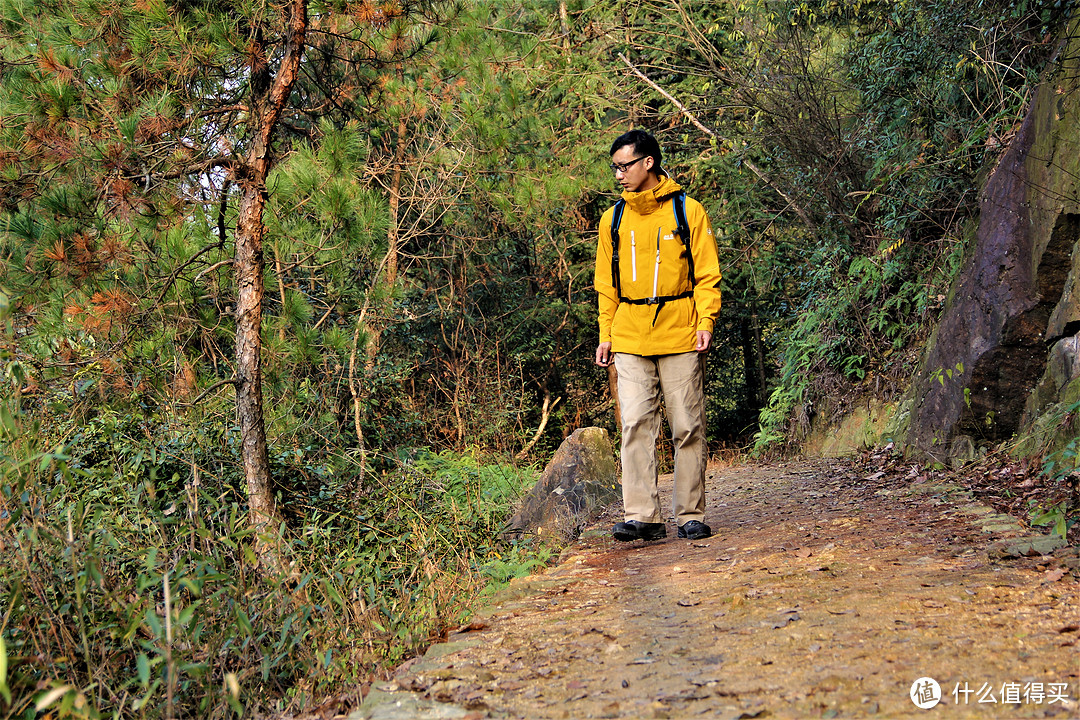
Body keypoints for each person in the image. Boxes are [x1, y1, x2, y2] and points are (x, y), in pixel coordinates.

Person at [594, 129, 722, 542]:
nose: (619, 175)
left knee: (687, 425)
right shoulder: (612, 219)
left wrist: (705, 323)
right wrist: (605, 334)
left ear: (648, 162)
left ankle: (689, 514)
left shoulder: (688, 212)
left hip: (680, 332)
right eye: (615, 167)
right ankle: (642, 516)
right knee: (634, 424)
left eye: (625, 166)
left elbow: (707, 275)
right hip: (629, 335)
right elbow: (605, 285)